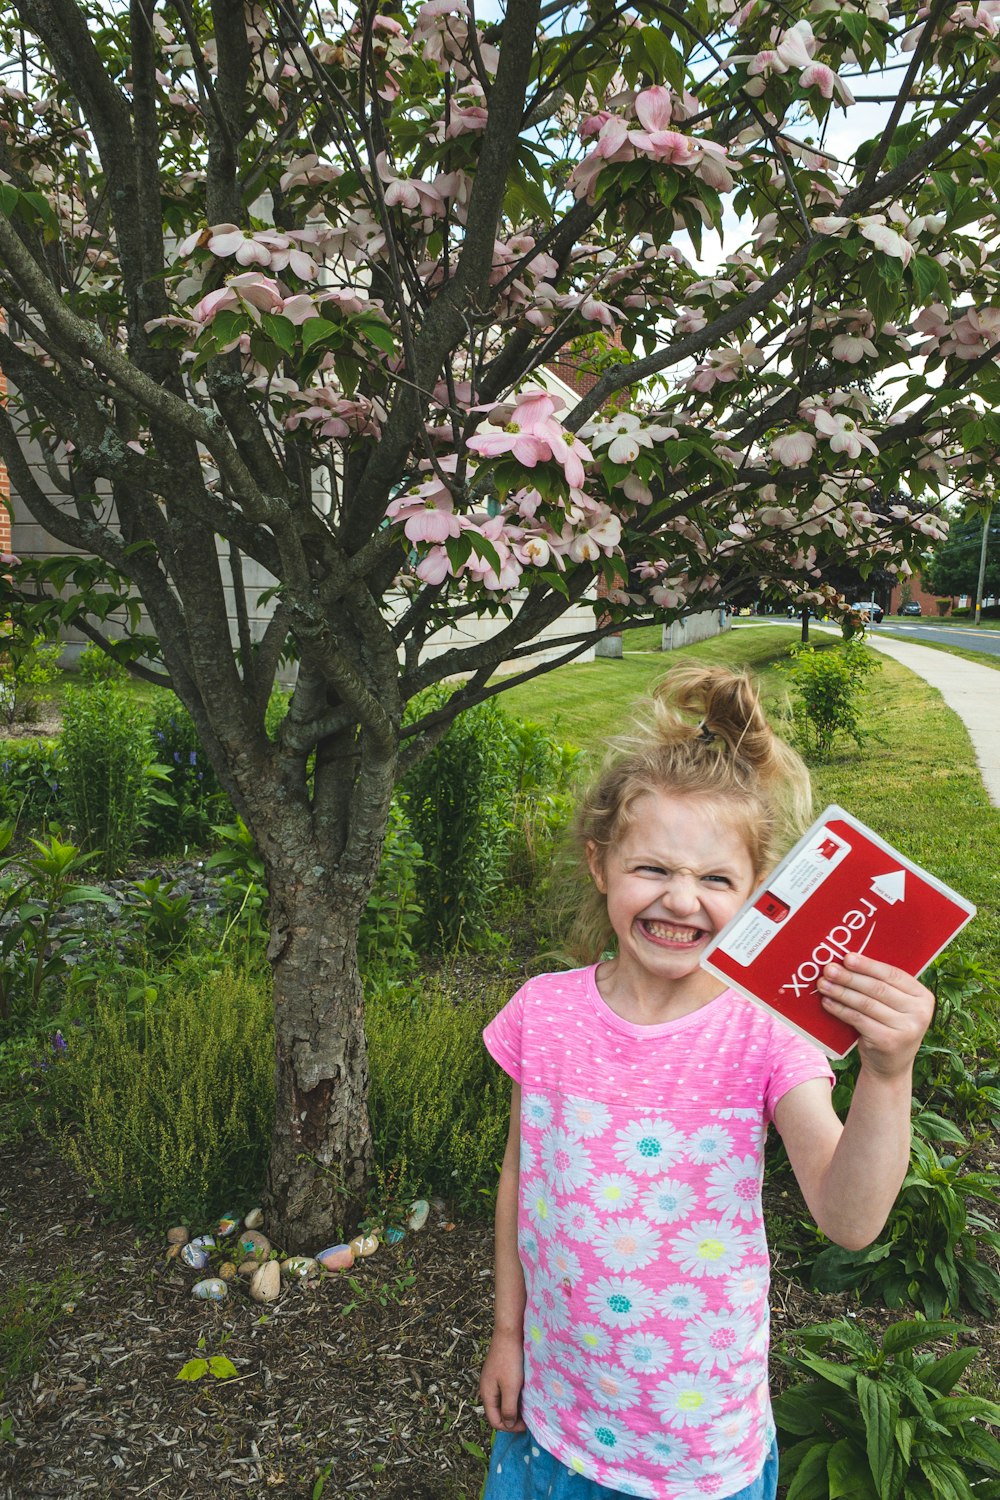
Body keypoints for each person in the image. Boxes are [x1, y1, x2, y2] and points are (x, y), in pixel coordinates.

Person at [478, 665, 934, 1500]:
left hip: (694, 1451)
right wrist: (508, 1333)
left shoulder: (765, 1033)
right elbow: (521, 1179)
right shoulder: (542, 1014)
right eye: (652, 868)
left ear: (757, 895)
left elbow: (851, 1217)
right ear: (599, 864)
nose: (681, 900)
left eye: (717, 879)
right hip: (556, 1416)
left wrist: (887, 1069)